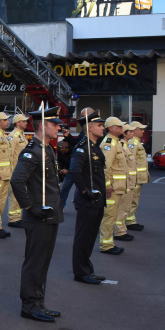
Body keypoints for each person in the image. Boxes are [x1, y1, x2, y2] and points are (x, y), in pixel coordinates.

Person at [11, 107, 64, 322]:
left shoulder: (47, 149)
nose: (59, 127)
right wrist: (31, 207)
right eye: (55, 124)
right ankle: (29, 305)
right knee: (35, 262)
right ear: (43, 126)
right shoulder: (32, 151)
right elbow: (17, 181)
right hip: (39, 216)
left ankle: (39, 302)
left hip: (50, 214)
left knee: (43, 261)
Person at [69, 111, 108, 285]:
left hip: (97, 200)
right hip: (88, 201)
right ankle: (80, 272)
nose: (103, 128)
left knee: (90, 237)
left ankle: (87, 269)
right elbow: (75, 171)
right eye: (99, 125)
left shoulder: (95, 146)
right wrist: (85, 191)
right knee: (83, 238)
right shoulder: (82, 147)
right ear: (90, 128)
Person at [98, 117, 127, 254]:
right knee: (109, 216)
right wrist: (107, 185)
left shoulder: (116, 142)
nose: (122, 129)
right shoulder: (109, 144)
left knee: (112, 215)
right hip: (112, 188)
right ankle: (106, 245)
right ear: (111, 128)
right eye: (119, 126)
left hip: (117, 187)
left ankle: (109, 243)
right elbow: (106, 167)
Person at [113, 124, 137, 242]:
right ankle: (119, 231)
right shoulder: (121, 145)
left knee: (126, 208)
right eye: (130, 132)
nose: (133, 134)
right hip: (125, 183)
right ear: (125, 134)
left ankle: (121, 229)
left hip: (130, 182)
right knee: (122, 209)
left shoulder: (126, 145)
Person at [125, 121, 149, 231]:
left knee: (135, 199)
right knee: (132, 199)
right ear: (135, 131)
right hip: (135, 177)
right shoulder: (132, 143)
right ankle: (130, 221)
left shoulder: (136, 142)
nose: (143, 131)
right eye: (141, 129)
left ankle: (131, 220)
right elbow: (130, 161)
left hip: (138, 177)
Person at [7, 113, 29, 228]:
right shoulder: (13, 136)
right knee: (14, 195)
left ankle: (17, 217)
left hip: (22, 170)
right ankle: (12, 219)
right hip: (15, 170)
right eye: (24, 121)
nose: (26, 123)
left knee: (20, 195)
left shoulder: (21, 135)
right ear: (18, 123)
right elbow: (10, 155)